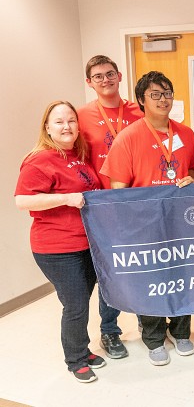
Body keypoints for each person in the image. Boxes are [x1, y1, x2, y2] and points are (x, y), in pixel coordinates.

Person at [101, 71, 194, 366]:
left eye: (167, 92)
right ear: (142, 100)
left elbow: (193, 172)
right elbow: (118, 190)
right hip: (145, 226)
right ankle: (154, 338)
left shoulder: (186, 134)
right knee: (152, 282)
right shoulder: (127, 138)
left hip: (181, 224)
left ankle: (180, 332)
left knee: (182, 278)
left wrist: (191, 179)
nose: (163, 99)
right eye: (155, 94)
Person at [15, 101, 105, 383]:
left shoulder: (77, 156)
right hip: (56, 248)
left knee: (81, 301)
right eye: (59, 122)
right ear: (47, 128)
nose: (66, 127)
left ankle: (83, 348)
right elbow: (22, 200)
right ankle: (76, 359)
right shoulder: (39, 159)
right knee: (75, 303)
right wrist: (66, 198)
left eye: (71, 121)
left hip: (84, 243)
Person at [77, 55, 143, 360]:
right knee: (110, 272)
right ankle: (110, 331)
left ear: (119, 76)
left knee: (145, 266)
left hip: (138, 205)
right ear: (90, 82)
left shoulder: (138, 110)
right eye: (98, 76)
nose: (106, 80)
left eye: (110, 74)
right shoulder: (81, 116)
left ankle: (150, 322)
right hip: (102, 207)